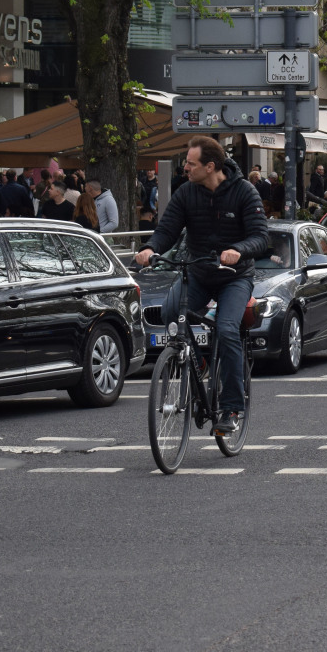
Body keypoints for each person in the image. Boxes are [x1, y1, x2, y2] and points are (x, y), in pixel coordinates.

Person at [134, 136, 268, 435]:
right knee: (169, 313)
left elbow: (261, 236)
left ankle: (231, 408)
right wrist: (150, 248)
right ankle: (198, 363)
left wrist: (239, 250)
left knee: (227, 329)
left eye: (191, 164)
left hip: (234, 276)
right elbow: (167, 229)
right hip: (198, 273)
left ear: (210, 166)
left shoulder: (244, 192)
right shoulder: (186, 193)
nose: (186, 168)